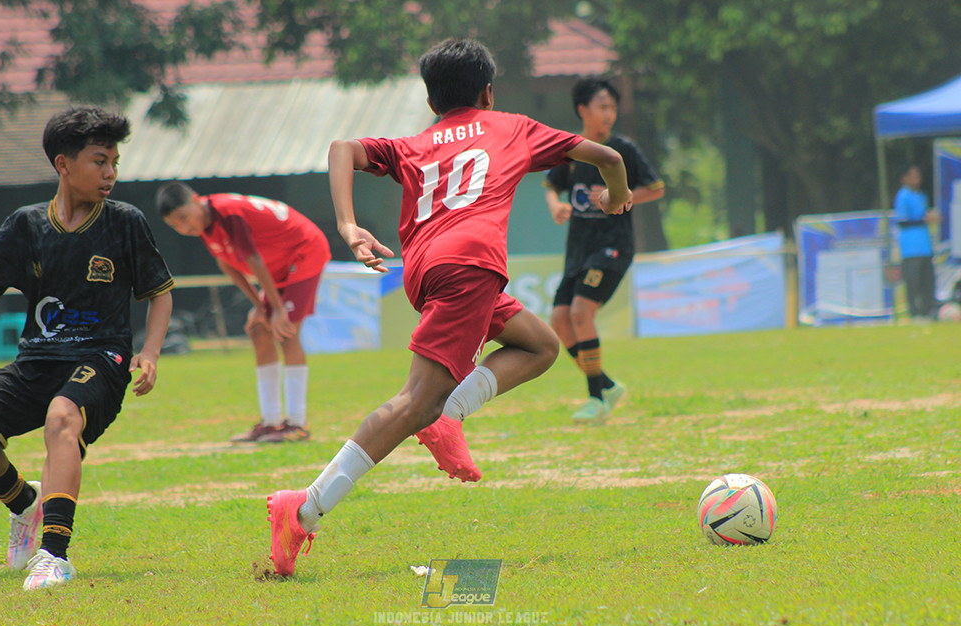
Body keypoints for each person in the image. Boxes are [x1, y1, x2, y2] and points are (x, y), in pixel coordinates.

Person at [265, 38, 631, 576]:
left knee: (540, 344)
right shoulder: (512, 127)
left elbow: (341, 147)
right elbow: (610, 157)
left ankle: (446, 417)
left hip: (425, 270)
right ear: (487, 90)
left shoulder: (416, 144)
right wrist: (618, 196)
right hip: (471, 268)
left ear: (432, 100)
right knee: (417, 402)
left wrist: (348, 226)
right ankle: (302, 508)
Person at [0, 106, 174, 591]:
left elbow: (159, 291)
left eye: (115, 162)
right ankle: (23, 505)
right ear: (63, 164)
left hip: (100, 357)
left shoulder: (124, 222)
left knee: (62, 416)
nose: (110, 173)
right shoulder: (26, 224)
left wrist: (152, 352)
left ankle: (54, 556)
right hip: (36, 359)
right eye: (100, 161)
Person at [156, 183, 331, 442]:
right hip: (280, 265)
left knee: (286, 331)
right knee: (259, 330)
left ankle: (297, 424)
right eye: (176, 226)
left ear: (196, 199)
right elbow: (227, 264)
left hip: (303, 250)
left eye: (184, 218)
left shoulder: (227, 213)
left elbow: (253, 260)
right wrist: (260, 308)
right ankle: (271, 421)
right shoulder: (204, 223)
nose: (184, 227)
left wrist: (278, 309)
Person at [543, 76, 664, 424]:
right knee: (559, 321)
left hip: (613, 246)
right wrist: (555, 206)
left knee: (581, 312)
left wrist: (622, 195)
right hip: (578, 249)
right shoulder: (571, 149)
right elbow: (551, 185)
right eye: (602, 107)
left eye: (613, 107)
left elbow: (654, 188)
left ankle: (596, 399)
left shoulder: (622, 150)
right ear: (583, 110)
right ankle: (607, 385)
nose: (609, 114)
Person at [894, 164, 938, 320]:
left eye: (918, 176)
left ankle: (929, 312)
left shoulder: (921, 195)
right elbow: (903, 221)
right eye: (913, 177)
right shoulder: (903, 195)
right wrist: (923, 220)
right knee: (914, 283)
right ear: (905, 178)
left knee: (928, 281)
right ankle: (915, 313)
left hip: (925, 247)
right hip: (911, 249)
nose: (917, 180)